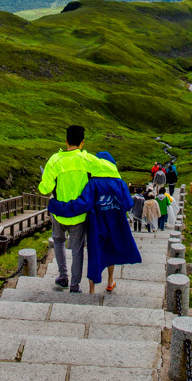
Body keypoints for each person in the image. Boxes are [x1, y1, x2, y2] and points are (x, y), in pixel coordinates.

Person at [38, 125, 119, 293]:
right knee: (77, 249)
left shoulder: (54, 160)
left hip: (59, 212)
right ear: (82, 142)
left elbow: (45, 189)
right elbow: (111, 169)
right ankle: (75, 285)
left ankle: (63, 277)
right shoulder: (86, 159)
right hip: (79, 213)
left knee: (58, 242)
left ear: (66, 140)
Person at [47, 151, 141, 294]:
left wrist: (56, 206)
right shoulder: (120, 183)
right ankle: (110, 280)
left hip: (96, 225)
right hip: (115, 224)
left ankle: (92, 290)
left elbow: (82, 204)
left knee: (94, 254)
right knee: (111, 250)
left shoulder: (92, 183)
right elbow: (128, 204)